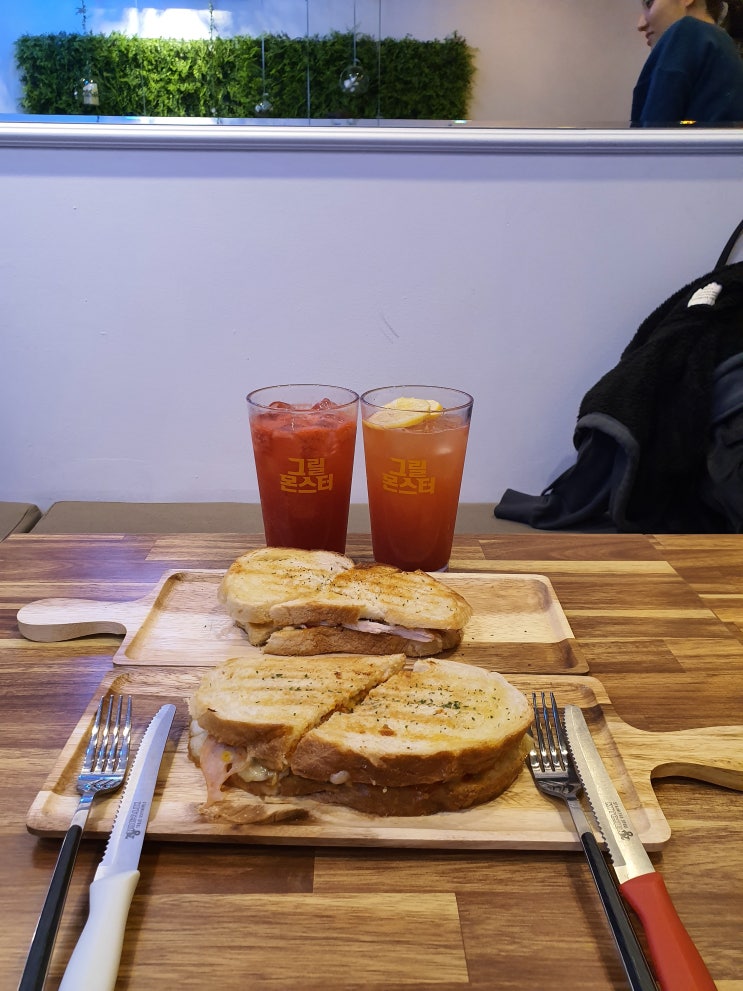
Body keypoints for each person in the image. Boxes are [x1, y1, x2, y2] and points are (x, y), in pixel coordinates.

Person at [631, 0, 743, 125]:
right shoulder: (725, 47)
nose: (640, 24)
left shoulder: (688, 31)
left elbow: (652, 138)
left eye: (649, 3)